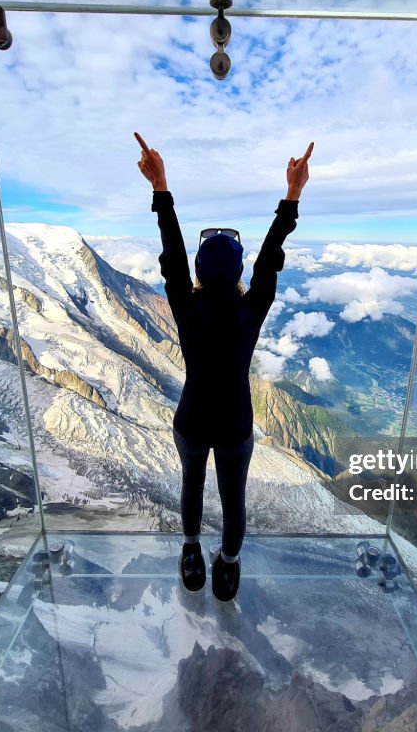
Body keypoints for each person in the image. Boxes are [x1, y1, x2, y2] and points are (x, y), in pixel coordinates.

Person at [134, 131, 313, 601]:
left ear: (198, 271)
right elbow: (270, 261)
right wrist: (291, 195)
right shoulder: (250, 311)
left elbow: (170, 253)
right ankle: (228, 566)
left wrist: (161, 186)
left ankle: (191, 552)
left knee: (191, 486)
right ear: (238, 273)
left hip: (191, 419)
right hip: (236, 423)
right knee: (234, 499)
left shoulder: (185, 308)